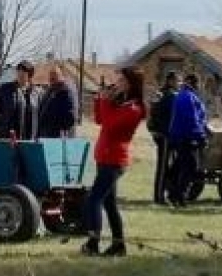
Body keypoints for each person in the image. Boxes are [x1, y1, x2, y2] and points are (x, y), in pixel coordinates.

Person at [81, 67, 147, 257]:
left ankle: (93, 243)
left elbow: (110, 125)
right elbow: (100, 120)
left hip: (114, 160)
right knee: (109, 204)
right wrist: (100, 99)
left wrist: (105, 101)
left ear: (129, 84)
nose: (117, 84)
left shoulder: (134, 109)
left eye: (120, 81)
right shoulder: (123, 103)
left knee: (94, 199)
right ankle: (119, 246)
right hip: (106, 158)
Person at [167, 73, 209, 207]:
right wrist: (201, 136)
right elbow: (192, 119)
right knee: (190, 166)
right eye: (197, 83)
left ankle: (174, 193)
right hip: (187, 137)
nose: (199, 86)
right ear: (192, 82)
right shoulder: (187, 97)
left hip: (182, 136)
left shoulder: (185, 95)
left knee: (180, 165)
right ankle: (180, 196)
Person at [147, 71, 181, 204]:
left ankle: (167, 191)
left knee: (166, 166)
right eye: (178, 81)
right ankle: (159, 196)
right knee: (162, 167)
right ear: (171, 81)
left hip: (160, 133)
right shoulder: (170, 96)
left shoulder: (159, 93)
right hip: (165, 134)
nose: (179, 84)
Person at [0, 60, 40, 140]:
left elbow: (39, 115)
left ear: (29, 75)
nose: (20, 74)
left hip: (29, 137)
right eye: (19, 72)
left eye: (23, 73)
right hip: (6, 135)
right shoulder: (5, 89)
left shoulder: (37, 93)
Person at [38, 64, 77, 138]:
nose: (51, 77)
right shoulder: (49, 92)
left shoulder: (66, 92)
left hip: (58, 137)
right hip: (45, 135)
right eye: (50, 75)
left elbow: (70, 119)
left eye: (55, 75)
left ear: (61, 76)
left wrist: (57, 128)